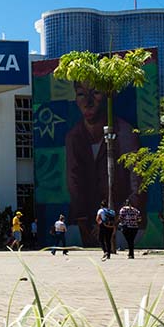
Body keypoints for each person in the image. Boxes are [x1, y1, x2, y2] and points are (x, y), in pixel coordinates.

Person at [65, 81, 145, 245]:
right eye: (81, 94)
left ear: (110, 97)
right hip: (84, 225)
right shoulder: (73, 137)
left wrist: (115, 221)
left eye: (96, 93)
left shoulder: (125, 132)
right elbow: (74, 184)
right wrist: (84, 225)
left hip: (125, 224)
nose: (88, 102)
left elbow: (138, 185)